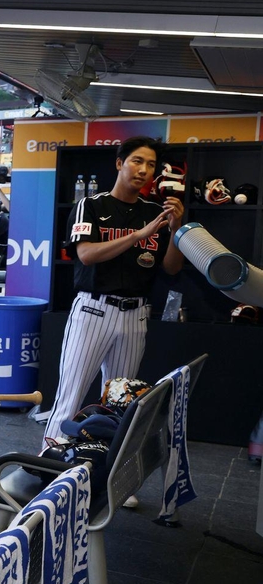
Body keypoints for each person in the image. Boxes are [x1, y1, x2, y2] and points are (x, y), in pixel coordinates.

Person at [44, 136, 185, 446]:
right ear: (120, 163)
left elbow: (172, 269)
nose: (144, 170)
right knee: (71, 396)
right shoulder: (92, 204)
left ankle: (104, 474)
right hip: (94, 310)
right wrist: (138, 235)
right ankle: (48, 467)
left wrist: (175, 229)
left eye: (151, 165)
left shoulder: (154, 212)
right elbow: (86, 254)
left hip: (136, 314)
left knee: (120, 403)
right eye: (137, 161)